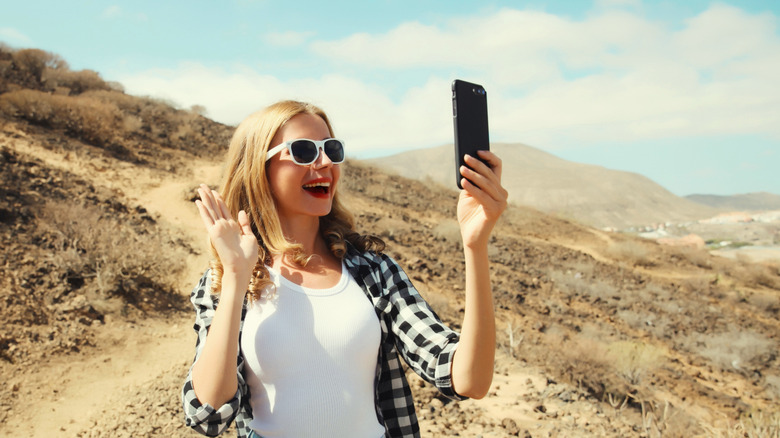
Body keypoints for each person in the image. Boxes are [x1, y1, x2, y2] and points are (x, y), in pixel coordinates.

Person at [181, 100, 508, 438]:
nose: (324, 162)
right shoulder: (228, 278)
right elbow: (207, 415)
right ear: (257, 168)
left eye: (331, 149)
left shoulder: (373, 272)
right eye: (303, 151)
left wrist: (475, 245)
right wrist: (236, 277)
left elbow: (469, 380)